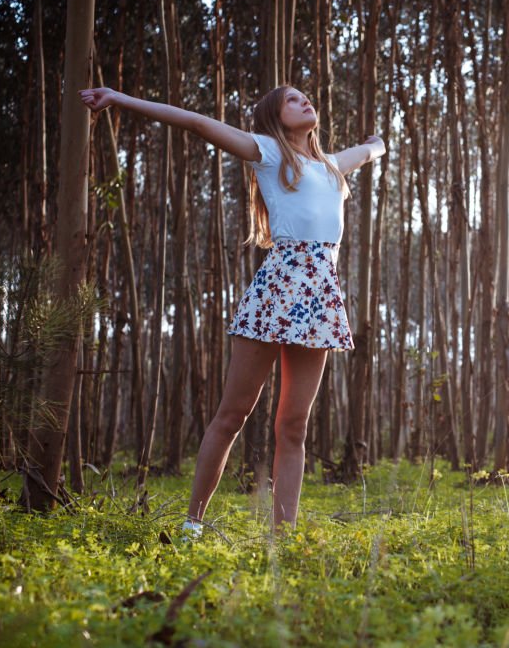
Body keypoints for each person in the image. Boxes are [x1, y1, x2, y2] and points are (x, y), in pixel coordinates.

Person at [78, 84, 385, 538]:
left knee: (293, 426)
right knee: (234, 413)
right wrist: (120, 100)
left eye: (307, 98)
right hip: (277, 290)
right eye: (293, 100)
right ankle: (192, 524)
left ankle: (284, 538)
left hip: (320, 297)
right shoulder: (267, 153)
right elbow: (197, 123)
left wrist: (380, 144)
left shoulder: (331, 167)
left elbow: (370, 148)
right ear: (276, 119)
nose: (306, 102)